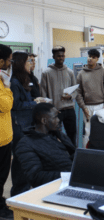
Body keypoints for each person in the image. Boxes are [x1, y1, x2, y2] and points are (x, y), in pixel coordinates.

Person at [10, 52, 45, 197]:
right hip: (19, 127)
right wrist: (34, 103)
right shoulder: (14, 82)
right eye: (27, 62)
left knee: (27, 159)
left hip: (26, 124)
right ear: (20, 64)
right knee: (19, 160)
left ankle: (24, 189)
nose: (30, 64)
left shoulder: (24, 79)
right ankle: (18, 192)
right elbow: (15, 104)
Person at [15, 103, 75, 188]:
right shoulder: (26, 144)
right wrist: (69, 175)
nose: (58, 120)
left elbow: (72, 154)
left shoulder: (58, 135)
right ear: (44, 121)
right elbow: (35, 177)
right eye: (55, 117)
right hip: (56, 187)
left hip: (72, 180)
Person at [40, 46, 77, 146]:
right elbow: (43, 94)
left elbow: (76, 90)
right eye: (58, 56)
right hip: (55, 111)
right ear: (53, 56)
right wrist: (48, 110)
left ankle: (73, 157)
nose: (61, 58)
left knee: (72, 135)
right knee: (54, 136)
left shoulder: (70, 72)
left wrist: (70, 96)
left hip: (69, 109)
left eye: (63, 56)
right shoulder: (46, 73)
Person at [76, 49, 104, 147]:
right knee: (88, 132)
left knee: (101, 131)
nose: (90, 59)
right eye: (89, 56)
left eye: (93, 57)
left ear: (97, 59)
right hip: (87, 107)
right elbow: (78, 93)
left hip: (101, 106)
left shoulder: (102, 72)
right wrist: (83, 107)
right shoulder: (81, 74)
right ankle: (86, 154)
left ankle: (102, 153)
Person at [0, 44, 14, 219]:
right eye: (9, 60)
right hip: (1, 138)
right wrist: (7, 86)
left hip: (5, 136)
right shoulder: (3, 81)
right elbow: (5, 105)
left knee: (3, 174)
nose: (10, 63)